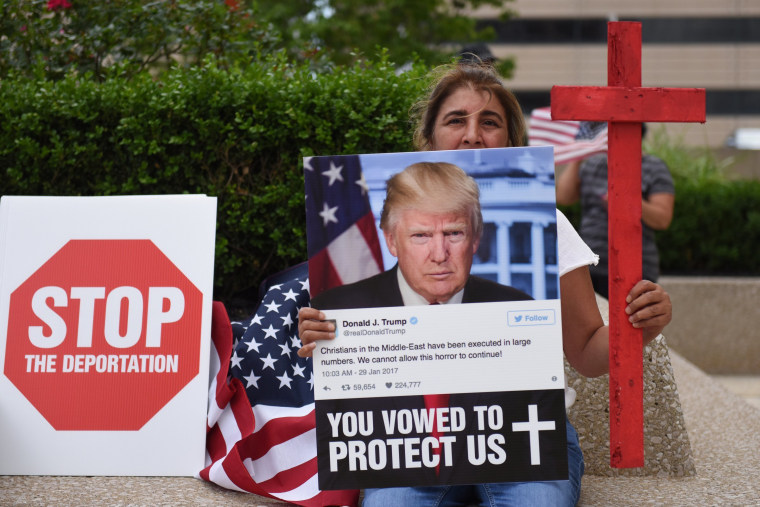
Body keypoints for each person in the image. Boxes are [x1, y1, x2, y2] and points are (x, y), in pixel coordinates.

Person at [299, 60, 672, 506]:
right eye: (456, 120)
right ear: (429, 139)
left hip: (525, 436)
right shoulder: (353, 293)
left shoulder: (546, 238)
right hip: (407, 442)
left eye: (489, 122)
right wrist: (322, 340)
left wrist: (636, 328)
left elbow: (588, 353)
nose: (473, 133)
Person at [555, 123, 675, 299]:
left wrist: (627, 203)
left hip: (634, 268)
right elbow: (564, 197)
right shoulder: (594, 165)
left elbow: (662, 218)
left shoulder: (653, 167)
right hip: (588, 265)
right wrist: (579, 152)